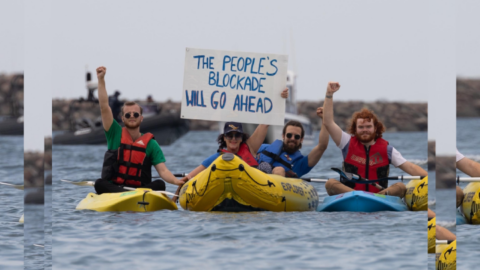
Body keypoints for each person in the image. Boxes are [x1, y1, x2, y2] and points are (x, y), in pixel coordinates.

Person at [322, 82, 427, 198]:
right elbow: (328, 122)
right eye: (361, 127)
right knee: (330, 183)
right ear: (355, 129)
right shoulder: (345, 142)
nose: (365, 130)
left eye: (368, 127)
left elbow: (411, 167)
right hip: (350, 195)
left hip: (379, 196)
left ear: (375, 128)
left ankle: (378, 196)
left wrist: (429, 181)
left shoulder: (388, 150)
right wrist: (329, 94)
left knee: (401, 186)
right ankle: (357, 195)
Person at [94, 66, 185, 194]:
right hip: (114, 189)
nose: (132, 116)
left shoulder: (151, 144)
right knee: (99, 183)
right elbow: (104, 107)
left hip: (141, 191)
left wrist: (177, 182)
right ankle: (122, 193)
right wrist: (101, 80)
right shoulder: (114, 133)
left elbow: (163, 171)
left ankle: (137, 194)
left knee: (160, 184)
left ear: (141, 118)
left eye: (135, 115)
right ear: (122, 118)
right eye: (128, 115)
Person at [177, 89, 289, 184]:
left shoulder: (250, 147)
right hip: (234, 186)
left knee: (276, 169)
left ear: (242, 138)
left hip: (259, 187)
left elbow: (265, 122)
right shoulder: (218, 157)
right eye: (230, 136)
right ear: (224, 138)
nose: (234, 139)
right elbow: (190, 177)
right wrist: (177, 192)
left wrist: (279, 99)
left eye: (237, 135)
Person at [256, 107, 329, 178]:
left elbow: (322, 146)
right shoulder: (264, 147)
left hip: (274, 185)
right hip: (253, 176)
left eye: (297, 137)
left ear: (301, 139)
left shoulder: (301, 164)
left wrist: (324, 118)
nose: (292, 138)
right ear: (283, 136)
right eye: (289, 135)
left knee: (279, 170)